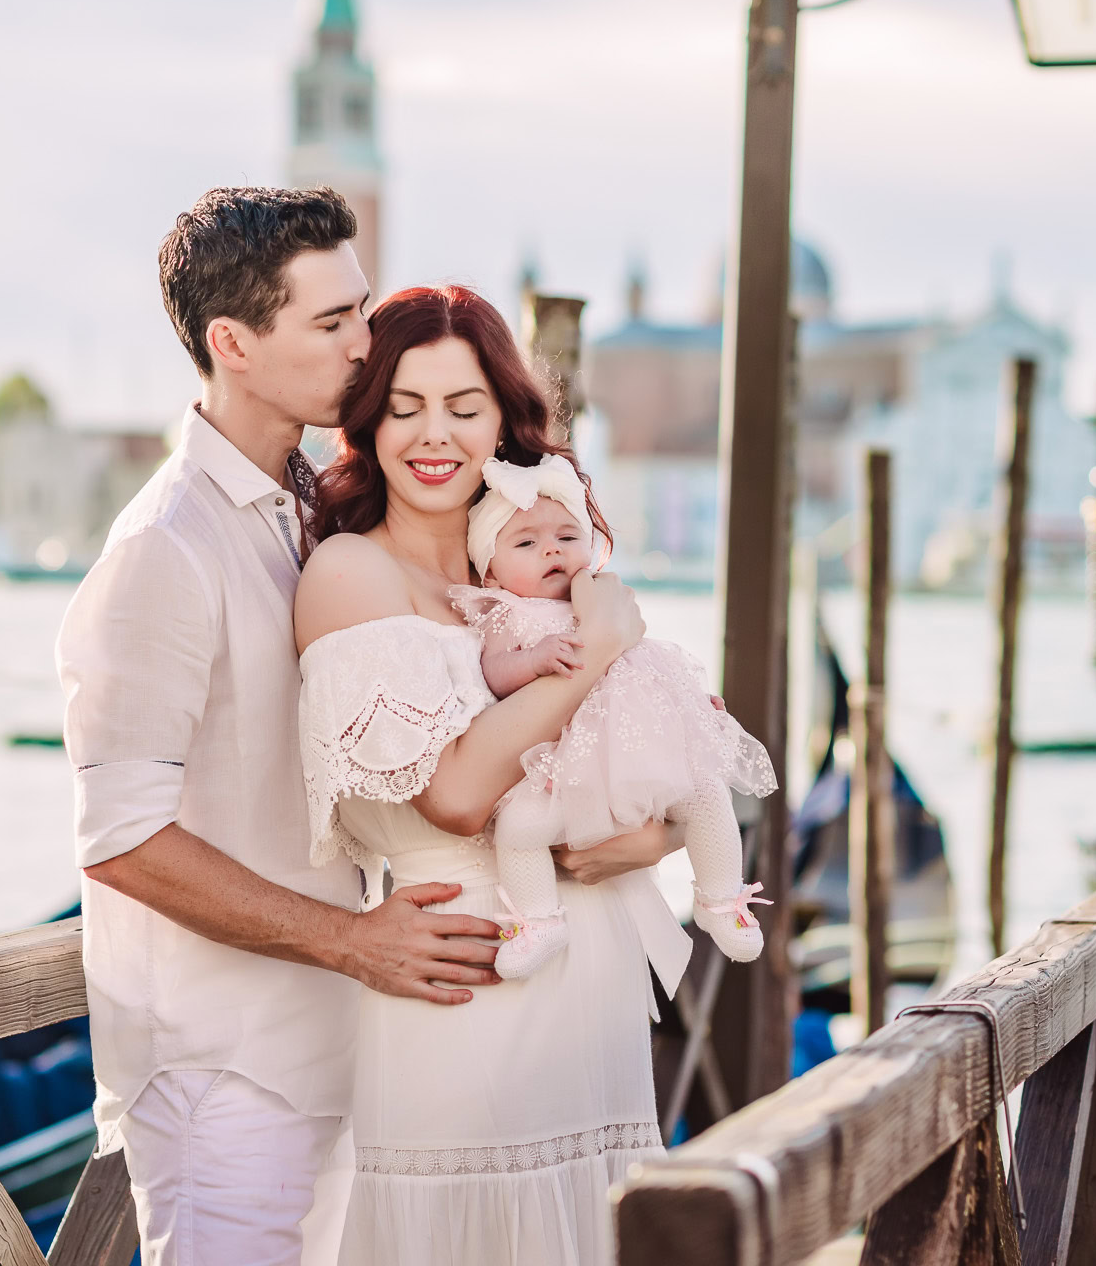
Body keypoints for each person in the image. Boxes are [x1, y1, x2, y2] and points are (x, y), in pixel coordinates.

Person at [294, 283, 683, 1266]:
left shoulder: (534, 566)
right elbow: (458, 793)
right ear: (367, 416)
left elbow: (652, 743)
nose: (435, 434)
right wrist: (596, 650)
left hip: (590, 997)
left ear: (503, 420)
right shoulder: (351, 573)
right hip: (465, 989)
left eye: (463, 407)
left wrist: (657, 835)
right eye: (406, 405)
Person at [446, 453, 778, 980]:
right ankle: (538, 920)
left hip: (634, 754)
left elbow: (646, 669)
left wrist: (691, 708)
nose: (551, 549)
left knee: (707, 792)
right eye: (526, 543)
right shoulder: (508, 614)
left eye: (567, 537)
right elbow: (494, 675)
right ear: (491, 569)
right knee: (519, 827)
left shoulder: (606, 599)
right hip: (560, 773)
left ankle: (720, 897)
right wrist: (532, 659)